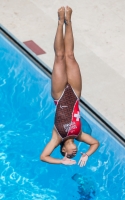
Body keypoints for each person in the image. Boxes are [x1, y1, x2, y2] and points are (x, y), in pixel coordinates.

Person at [40, 6, 99, 167]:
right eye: (74, 154)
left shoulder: (57, 137)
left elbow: (43, 156)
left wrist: (61, 161)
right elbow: (95, 143)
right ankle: (69, 21)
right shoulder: (79, 135)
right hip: (74, 93)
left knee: (59, 57)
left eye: (69, 155)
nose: (73, 153)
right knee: (70, 56)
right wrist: (86, 154)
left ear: (63, 151)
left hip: (59, 96)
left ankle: (60, 22)